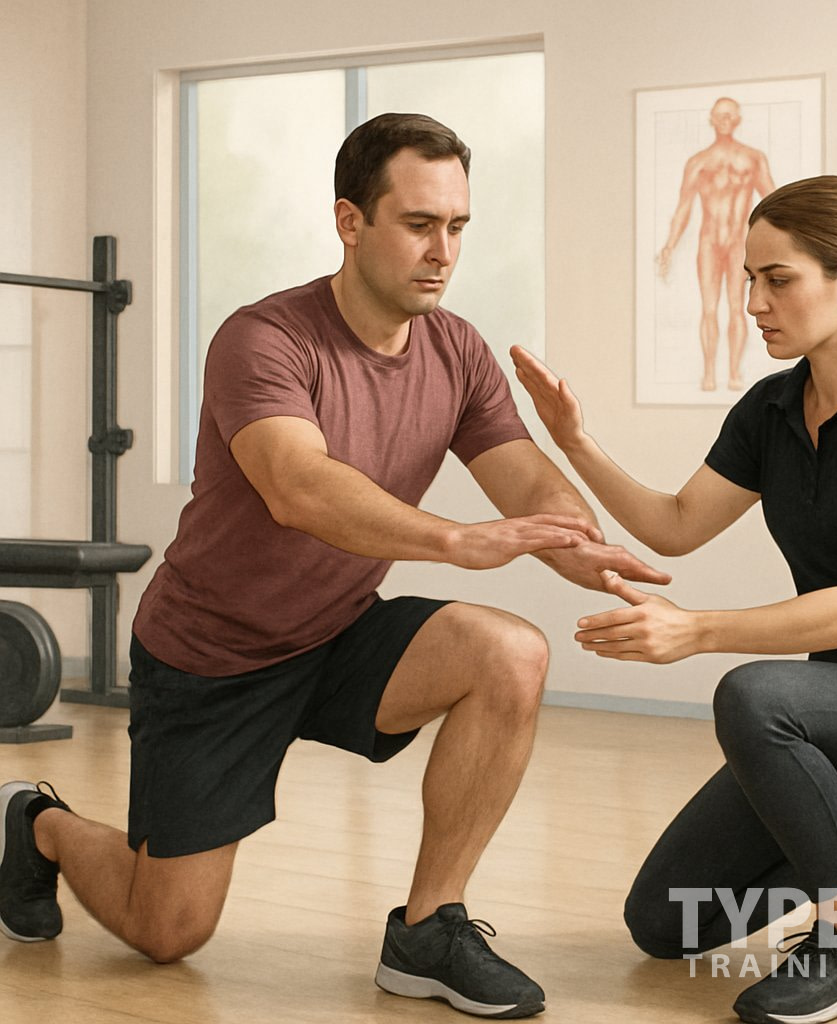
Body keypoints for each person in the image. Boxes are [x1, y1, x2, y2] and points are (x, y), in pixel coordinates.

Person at [0, 112, 670, 1020]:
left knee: (510, 651)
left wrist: (584, 552)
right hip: (211, 657)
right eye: (419, 224)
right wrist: (455, 540)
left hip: (335, 632)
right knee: (167, 933)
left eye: (458, 227)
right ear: (351, 221)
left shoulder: (458, 349)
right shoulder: (264, 338)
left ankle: (429, 929)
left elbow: (528, 485)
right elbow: (299, 487)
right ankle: (32, 824)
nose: (443, 251)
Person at [513, 175, 837, 1023]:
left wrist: (699, 631)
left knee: (752, 692)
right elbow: (675, 525)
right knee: (665, 922)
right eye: (749, 279)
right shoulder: (773, 408)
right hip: (830, 722)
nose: (753, 302)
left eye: (777, 279)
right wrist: (574, 441)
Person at [657, 97, 775, 392]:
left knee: (738, 307)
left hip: (740, 242)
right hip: (709, 241)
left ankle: (734, 372)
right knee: (709, 308)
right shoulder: (698, 162)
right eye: (719, 115)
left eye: (729, 115)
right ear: (711, 119)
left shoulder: (753, 158)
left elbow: (774, 202)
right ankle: (709, 373)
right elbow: (683, 207)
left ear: (737, 119)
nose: (724, 120)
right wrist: (670, 244)